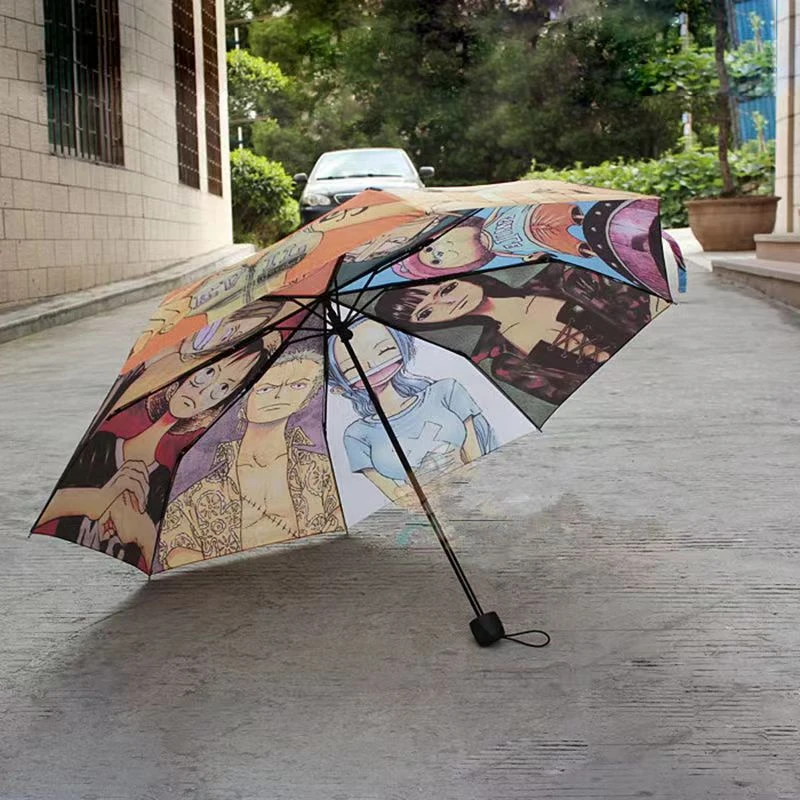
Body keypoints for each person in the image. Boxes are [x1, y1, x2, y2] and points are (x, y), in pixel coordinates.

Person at [34, 335, 277, 572]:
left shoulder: (164, 479)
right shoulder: (101, 447)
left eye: (223, 387)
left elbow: (162, 551)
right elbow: (55, 510)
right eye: (209, 372)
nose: (203, 390)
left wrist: (143, 532)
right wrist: (94, 501)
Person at [373, 263, 659, 407]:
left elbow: (637, 304)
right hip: (620, 402)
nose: (447, 303)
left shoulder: (563, 277)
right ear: (427, 325)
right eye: (426, 313)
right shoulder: (505, 363)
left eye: (445, 289)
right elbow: (564, 395)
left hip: (653, 365)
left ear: (459, 276)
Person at [158, 348, 343, 569]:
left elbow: (337, 517)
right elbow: (176, 551)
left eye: (297, 385)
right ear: (242, 398)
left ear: (308, 396)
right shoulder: (198, 491)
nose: (279, 396)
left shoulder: (320, 470)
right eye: (265, 388)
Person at [328, 317, 496, 501]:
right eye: (353, 367)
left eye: (384, 350)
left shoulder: (446, 391)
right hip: (432, 506)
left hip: (479, 491)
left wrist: (469, 483)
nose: (372, 365)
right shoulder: (356, 435)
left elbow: (476, 456)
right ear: (339, 384)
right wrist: (412, 497)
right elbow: (395, 495)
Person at [391, 204, 589, 281]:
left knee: (546, 214)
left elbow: (497, 210)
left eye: (430, 248)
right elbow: (519, 256)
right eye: (436, 261)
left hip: (526, 215)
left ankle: (576, 218)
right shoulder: (500, 253)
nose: (440, 251)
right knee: (556, 242)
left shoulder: (488, 218)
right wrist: (529, 258)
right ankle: (582, 248)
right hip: (532, 241)